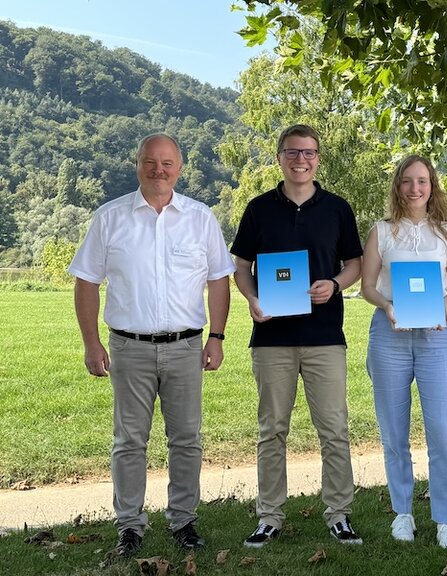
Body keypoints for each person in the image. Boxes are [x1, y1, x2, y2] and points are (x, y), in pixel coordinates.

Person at [68, 133, 235, 558]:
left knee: (186, 439)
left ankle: (184, 522)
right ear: (137, 164)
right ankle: (129, 526)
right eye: (150, 161)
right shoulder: (110, 218)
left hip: (185, 348)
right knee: (129, 441)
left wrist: (216, 335)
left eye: (167, 162)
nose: (158, 169)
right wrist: (91, 344)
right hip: (129, 348)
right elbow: (86, 281)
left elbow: (219, 278)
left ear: (180, 167)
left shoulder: (200, 218)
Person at [230, 124, 364, 547]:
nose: (300, 160)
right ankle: (269, 516)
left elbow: (355, 264)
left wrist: (337, 285)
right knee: (272, 429)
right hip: (271, 339)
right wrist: (252, 298)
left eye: (308, 153)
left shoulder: (337, 208)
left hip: (325, 337)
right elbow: (240, 266)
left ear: (317, 158)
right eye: (292, 152)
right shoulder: (257, 209)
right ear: (279, 158)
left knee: (334, 428)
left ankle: (339, 514)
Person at [361, 155, 447, 549]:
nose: (415, 188)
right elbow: (368, 286)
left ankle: (445, 519)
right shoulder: (381, 232)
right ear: (398, 186)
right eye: (407, 181)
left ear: (432, 186)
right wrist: (387, 306)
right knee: (394, 432)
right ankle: (403, 513)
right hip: (390, 336)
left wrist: (444, 307)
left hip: (436, 337)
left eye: (422, 181)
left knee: (441, 432)